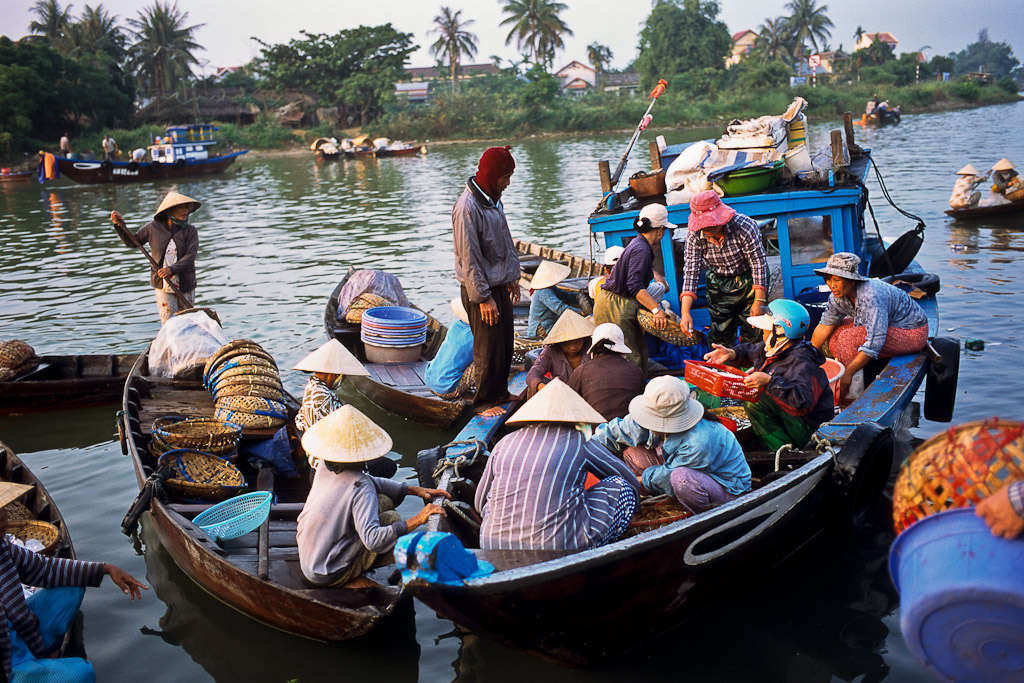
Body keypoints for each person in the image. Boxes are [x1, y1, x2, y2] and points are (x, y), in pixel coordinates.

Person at [475, 378, 640, 550]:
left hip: (492, 545)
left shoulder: (504, 442)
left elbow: (479, 504)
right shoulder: (578, 440)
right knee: (621, 487)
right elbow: (629, 480)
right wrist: (638, 510)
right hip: (555, 548)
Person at [296, 405, 449, 587]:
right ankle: (345, 578)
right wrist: (418, 519)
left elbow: (371, 480)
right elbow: (373, 540)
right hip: (327, 571)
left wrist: (413, 490)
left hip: (310, 558)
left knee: (383, 501)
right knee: (391, 518)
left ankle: (348, 569)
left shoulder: (324, 466)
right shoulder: (361, 487)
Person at [0, 503, 147, 681]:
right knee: (81, 673)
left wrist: (105, 569)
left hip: (20, 630)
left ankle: (43, 654)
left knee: (72, 587)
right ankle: (32, 669)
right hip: (9, 665)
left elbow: (44, 569)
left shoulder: (3, 548)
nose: (5, 515)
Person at [591, 376, 751, 515]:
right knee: (632, 452)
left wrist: (631, 480)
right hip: (678, 470)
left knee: (681, 479)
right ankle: (669, 497)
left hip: (727, 488)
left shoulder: (699, 440)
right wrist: (586, 449)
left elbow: (669, 475)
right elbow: (618, 431)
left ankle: (697, 514)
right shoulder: (653, 409)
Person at [704, 299, 834, 451]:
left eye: (766, 330)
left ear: (780, 332)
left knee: (756, 403)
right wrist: (731, 353)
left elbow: (802, 401)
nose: (763, 333)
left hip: (809, 429)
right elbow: (750, 351)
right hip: (788, 417)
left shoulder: (802, 362)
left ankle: (786, 454)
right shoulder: (773, 347)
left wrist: (769, 381)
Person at [452, 145, 522, 416]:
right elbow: (469, 258)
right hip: (479, 290)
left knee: (504, 342)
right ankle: (482, 403)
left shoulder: (493, 199)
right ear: (493, 175)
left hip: (498, 285)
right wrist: (482, 298)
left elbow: (503, 241)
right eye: (505, 177)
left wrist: (510, 277)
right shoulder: (467, 207)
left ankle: (500, 392)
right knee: (487, 348)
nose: (507, 183)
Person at [810, 252, 928, 396]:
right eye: (828, 279)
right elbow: (824, 325)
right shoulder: (837, 297)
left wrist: (848, 373)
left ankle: (850, 393)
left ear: (852, 280)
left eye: (837, 280)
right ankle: (854, 376)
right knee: (835, 334)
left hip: (912, 332)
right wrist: (808, 357)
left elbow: (875, 342)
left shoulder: (871, 297)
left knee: (849, 338)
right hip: (887, 326)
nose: (831, 285)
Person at [680, 190, 769, 347]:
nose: (706, 229)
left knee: (754, 328)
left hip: (749, 278)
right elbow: (691, 271)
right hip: (718, 283)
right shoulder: (694, 237)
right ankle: (725, 365)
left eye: (710, 223)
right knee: (720, 331)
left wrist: (759, 300)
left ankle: (752, 365)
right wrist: (685, 312)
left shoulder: (745, 226)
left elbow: (758, 263)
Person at [593, 214, 670, 370]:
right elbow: (635, 287)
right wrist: (657, 310)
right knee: (630, 356)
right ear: (660, 230)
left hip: (611, 301)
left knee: (633, 352)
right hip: (616, 305)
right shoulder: (642, 249)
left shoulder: (637, 244)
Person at [111, 191, 200, 324]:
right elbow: (133, 242)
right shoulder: (152, 228)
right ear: (170, 210)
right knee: (169, 324)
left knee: (188, 322)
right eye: (181, 207)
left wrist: (172, 269)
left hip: (186, 283)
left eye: (187, 207)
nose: (185, 211)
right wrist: (120, 226)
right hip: (163, 284)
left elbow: (190, 256)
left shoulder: (190, 231)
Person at [292, 338, 371, 468]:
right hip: (328, 465)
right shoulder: (322, 397)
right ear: (333, 374)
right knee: (385, 466)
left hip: (317, 458)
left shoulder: (310, 388)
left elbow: (299, 420)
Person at [569, 322, 646, 421]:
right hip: (627, 432)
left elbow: (568, 402)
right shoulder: (636, 371)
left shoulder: (581, 371)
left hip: (595, 432)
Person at [526, 309, 594, 398]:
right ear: (560, 342)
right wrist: (544, 388)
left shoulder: (592, 347)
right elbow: (532, 374)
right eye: (568, 343)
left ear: (584, 339)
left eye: (577, 342)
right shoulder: (551, 351)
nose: (573, 347)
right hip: (561, 396)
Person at [425, 297, 475, 399]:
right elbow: (487, 365)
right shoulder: (478, 334)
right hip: (447, 389)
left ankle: (464, 389)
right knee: (486, 358)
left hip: (428, 379)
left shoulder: (455, 324)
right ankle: (481, 400)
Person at [525, 260, 581, 339]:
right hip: (542, 329)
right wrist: (581, 313)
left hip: (550, 324)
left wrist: (580, 296)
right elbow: (559, 308)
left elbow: (567, 296)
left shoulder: (551, 288)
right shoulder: (543, 291)